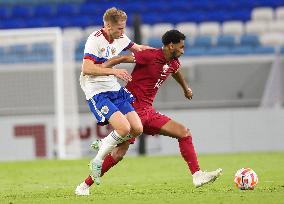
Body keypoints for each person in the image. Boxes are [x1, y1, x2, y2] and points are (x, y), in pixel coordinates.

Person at [76, 30, 222, 196]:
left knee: (184, 133)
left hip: (149, 112)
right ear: (171, 45)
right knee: (118, 153)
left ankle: (197, 175)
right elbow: (123, 58)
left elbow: (176, 72)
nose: (183, 51)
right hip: (132, 109)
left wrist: (185, 88)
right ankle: (84, 185)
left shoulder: (173, 62)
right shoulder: (150, 56)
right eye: (181, 47)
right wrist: (102, 68)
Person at [75, 7, 152, 195]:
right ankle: (97, 159)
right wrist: (115, 70)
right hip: (97, 91)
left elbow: (139, 49)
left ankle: (85, 183)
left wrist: (161, 54)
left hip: (114, 87)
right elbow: (87, 68)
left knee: (137, 129)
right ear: (107, 25)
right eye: (119, 29)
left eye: (124, 28)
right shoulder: (94, 40)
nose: (122, 32)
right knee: (124, 129)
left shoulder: (120, 37)